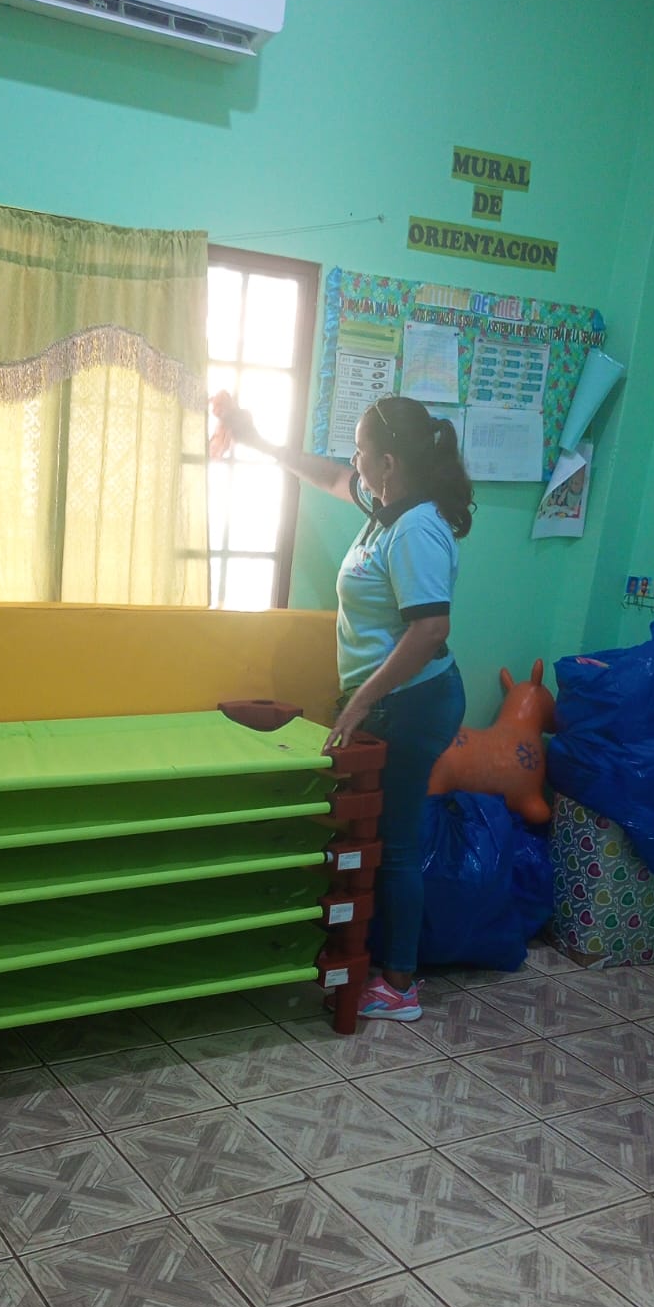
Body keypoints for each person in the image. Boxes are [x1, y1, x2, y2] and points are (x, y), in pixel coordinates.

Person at [212, 391, 473, 1022]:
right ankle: (377, 956)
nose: (352, 461)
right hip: (393, 700)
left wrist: (359, 702)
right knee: (376, 833)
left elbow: (430, 630)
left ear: (388, 463)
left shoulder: (415, 530)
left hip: (413, 703)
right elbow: (328, 476)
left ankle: (400, 984)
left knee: (396, 842)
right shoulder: (385, 508)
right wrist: (256, 439)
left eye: (360, 450)